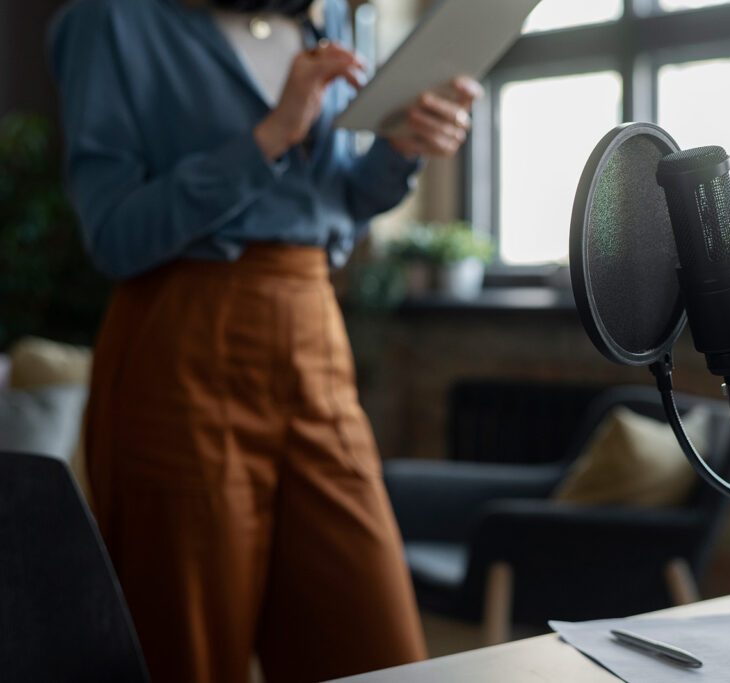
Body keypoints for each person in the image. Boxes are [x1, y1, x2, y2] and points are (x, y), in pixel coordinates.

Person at [47, 0, 481, 680]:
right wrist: (269, 136)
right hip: (180, 345)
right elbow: (112, 232)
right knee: (188, 647)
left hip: (315, 332)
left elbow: (330, 204)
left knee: (378, 648)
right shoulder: (111, 21)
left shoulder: (321, 14)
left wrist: (399, 150)